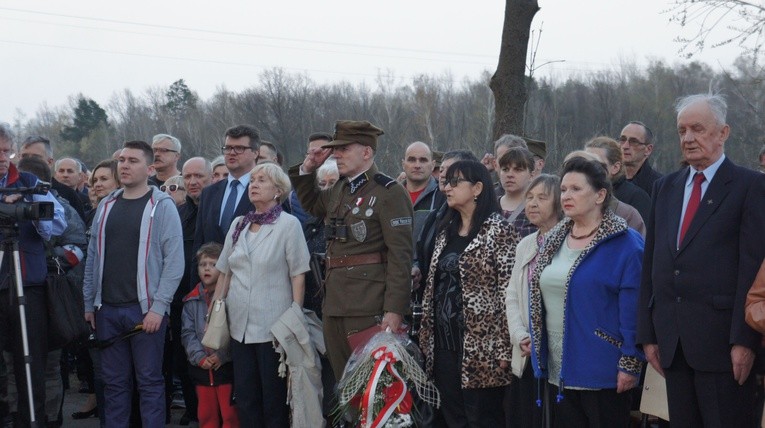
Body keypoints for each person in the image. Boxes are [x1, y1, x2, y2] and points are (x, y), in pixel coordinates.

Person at [637, 93, 765, 427]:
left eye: (698, 128)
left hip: (724, 347)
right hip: (673, 346)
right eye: (682, 130)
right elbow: (652, 265)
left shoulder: (750, 186)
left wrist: (745, 341)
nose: (689, 138)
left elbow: (752, 270)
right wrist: (648, 334)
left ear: (723, 133)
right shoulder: (666, 188)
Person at [288, 120, 413, 379]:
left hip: (368, 304)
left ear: (366, 152)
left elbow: (400, 256)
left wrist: (394, 310)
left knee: (370, 384)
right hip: (334, 302)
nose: (336, 154)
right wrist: (308, 168)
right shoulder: (341, 188)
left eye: (344, 149)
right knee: (344, 381)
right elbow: (311, 204)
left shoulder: (389, 192)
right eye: (336, 148)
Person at [529, 157, 644, 427]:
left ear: (600, 195)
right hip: (559, 368)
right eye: (564, 189)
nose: (566, 195)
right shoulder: (555, 237)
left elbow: (634, 311)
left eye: (576, 189)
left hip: (602, 369)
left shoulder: (626, 244)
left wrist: (630, 363)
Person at [83, 140, 184, 427]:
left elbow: (174, 263)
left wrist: (159, 307)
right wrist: (89, 302)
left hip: (145, 312)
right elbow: (93, 258)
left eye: (133, 160)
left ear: (150, 168)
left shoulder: (162, 206)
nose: (125, 165)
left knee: (150, 383)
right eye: (122, 160)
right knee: (113, 384)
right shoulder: (106, 205)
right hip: (107, 311)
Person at [418, 159, 518, 426]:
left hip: (482, 348)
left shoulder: (499, 231)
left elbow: (510, 294)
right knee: (451, 416)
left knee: (481, 418)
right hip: (443, 344)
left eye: (454, 182)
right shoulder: (445, 231)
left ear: (477, 188)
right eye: (446, 182)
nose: (447, 188)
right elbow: (433, 286)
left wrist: (505, 350)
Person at [211, 162, 310, 426]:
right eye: (252, 180)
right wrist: (215, 308)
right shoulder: (239, 223)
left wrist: (295, 313)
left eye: (262, 180)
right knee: (245, 396)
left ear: (278, 190)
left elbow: (298, 273)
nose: (253, 185)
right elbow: (225, 271)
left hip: (274, 326)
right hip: (239, 325)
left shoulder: (288, 225)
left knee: (273, 398)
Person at [0, 123, 66, 426]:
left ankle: (33, 420)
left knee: (31, 363)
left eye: (6, 150)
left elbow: (56, 224)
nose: (4, 157)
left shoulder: (28, 181)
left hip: (28, 285)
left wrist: (30, 204)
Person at [504, 173, 563, 428]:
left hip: (558, 353)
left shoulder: (570, 242)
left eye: (542, 197)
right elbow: (512, 295)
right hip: (526, 352)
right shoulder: (526, 244)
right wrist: (519, 335)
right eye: (529, 197)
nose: (533, 203)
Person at [181, 242, 238, 428]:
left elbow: (234, 332)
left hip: (225, 368)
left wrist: (222, 355)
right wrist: (198, 357)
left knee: (230, 415)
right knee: (206, 416)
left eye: (213, 264)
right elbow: (187, 334)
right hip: (201, 369)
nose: (207, 268)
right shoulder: (191, 301)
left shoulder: (231, 297)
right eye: (202, 264)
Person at [173, 157, 213, 425]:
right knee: (184, 352)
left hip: (212, 295)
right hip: (181, 297)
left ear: (210, 178)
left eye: (198, 176)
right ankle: (192, 407)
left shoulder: (216, 210)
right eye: (187, 177)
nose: (192, 182)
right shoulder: (178, 213)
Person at [19, 136, 87, 221]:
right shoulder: (8, 187)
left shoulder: (68, 195)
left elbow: (76, 231)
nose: (28, 161)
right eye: (24, 156)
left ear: (50, 162)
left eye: (35, 157)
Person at [585, 136, 651, 221]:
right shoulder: (577, 194)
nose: (587, 168)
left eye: (596, 164)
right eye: (584, 162)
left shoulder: (637, 198)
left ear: (615, 167)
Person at [497, 147, 537, 237]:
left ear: (531, 175)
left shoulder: (536, 209)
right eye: (505, 169)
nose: (510, 175)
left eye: (518, 170)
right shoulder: (488, 206)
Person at [619, 121, 662, 195]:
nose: (625, 146)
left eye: (633, 142)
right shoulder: (608, 182)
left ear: (648, 150)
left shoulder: (660, 186)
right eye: (622, 140)